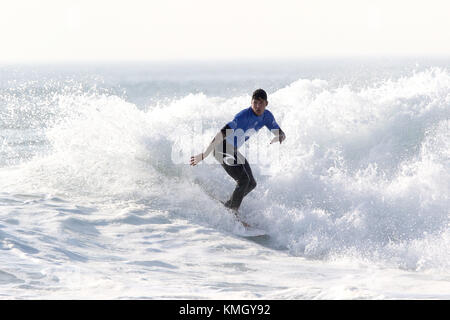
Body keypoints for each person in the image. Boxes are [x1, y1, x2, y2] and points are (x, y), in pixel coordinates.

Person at [190, 89, 286, 216]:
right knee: (244, 180)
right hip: (221, 148)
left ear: (266, 103)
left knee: (251, 183)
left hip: (233, 150)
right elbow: (221, 133)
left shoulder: (267, 116)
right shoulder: (242, 116)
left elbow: (281, 133)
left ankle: (230, 205)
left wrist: (279, 137)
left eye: (261, 103)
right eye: (255, 103)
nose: (257, 106)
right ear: (251, 102)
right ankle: (232, 212)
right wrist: (204, 154)